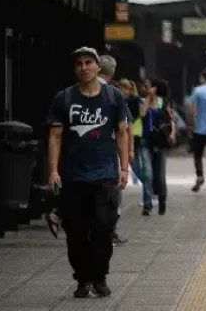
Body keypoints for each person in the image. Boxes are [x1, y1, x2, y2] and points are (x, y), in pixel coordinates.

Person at [47, 47, 131, 299]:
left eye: (88, 62)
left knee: (103, 229)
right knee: (76, 232)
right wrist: (53, 170)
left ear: (97, 67)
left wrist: (124, 167)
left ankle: (100, 277)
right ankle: (82, 279)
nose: (84, 67)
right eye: (79, 64)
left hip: (105, 175)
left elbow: (122, 132)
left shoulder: (114, 96)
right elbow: (54, 135)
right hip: (73, 176)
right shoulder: (64, 98)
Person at [97, 56, 129, 246]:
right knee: (111, 193)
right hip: (107, 150)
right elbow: (122, 131)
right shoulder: (113, 94)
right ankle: (108, 231)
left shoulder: (75, 92)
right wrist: (124, 166)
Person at [141, 78, 177, 216]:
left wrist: (172, 133)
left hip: (160, 143)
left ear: (155, 88)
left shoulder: (163, 102)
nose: (145, 88)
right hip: (146, 142)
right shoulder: (143, 100)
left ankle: (162, 200)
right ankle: (147, 205)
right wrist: (148, 99)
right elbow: (142, 114)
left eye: (148, 86)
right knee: (147, 174)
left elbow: (171, 119)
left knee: (160, 176)